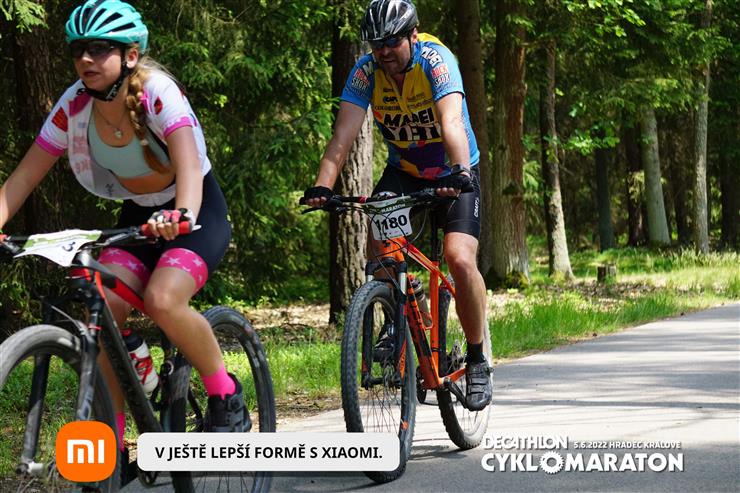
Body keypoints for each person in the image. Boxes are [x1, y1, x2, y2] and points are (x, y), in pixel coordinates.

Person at [0, 0, 249, 446]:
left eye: (99, 49)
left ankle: (225, 394)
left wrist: (182, 214)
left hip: (196, 211)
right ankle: (112, 440)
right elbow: (22, 178)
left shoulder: (158, 92)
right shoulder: (74, 105)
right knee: (101, 304)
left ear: (130, 55)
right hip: (138, 216)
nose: (85, 59)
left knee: (163, 299)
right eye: (78, 50)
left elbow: (189, 165)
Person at [303, 0, 492, 411]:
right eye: (376, 44)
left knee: (459, 258)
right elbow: (342, 137)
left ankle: (477, 359)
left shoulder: (436, 61)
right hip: (405, 170)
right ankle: (400, 313)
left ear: (412, 35)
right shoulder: (366, 72)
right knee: (380, 241)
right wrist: (322, 186)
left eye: (392, 42)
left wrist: (459, 171)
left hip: (453, 169)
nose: (384, 51)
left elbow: (451, 123)